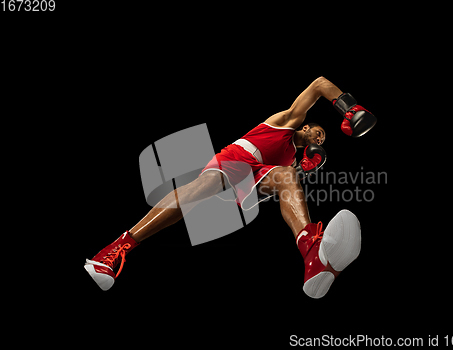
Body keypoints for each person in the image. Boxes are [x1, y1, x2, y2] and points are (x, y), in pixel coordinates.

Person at [84, 76, 376, 298]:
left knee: (288, 176)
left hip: (256, 178)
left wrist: (299, 170)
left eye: (323, 138)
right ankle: (116, 248)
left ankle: (311, 251)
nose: (320, 138)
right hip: (236, 159)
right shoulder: (287, 122)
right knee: (203, 186)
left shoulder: (293, 159)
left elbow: (277, 187)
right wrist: (349, 108)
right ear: (307, 127)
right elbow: (319, 84)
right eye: (319, 131)